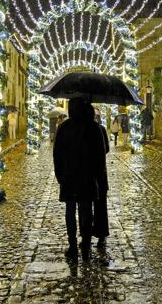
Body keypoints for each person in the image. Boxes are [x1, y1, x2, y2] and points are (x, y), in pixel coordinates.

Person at [53, 98, 106, 261]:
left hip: (69, 177)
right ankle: (86, 246)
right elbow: (100, 156)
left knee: (70, 211)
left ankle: (72, 246)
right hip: (87, 177)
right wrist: (96, 175)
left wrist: (60, 176)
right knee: (86, 211)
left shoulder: (64, 128)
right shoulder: (94, 128)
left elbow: (57, 155)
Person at [87, 104, 110, 250]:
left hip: (87, 173)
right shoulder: (100, 129)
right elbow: (106, 149)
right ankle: (101, 236)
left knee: (86, 206)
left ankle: (87, 236)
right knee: (101, 206)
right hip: (100, 173)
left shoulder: (81, 129)